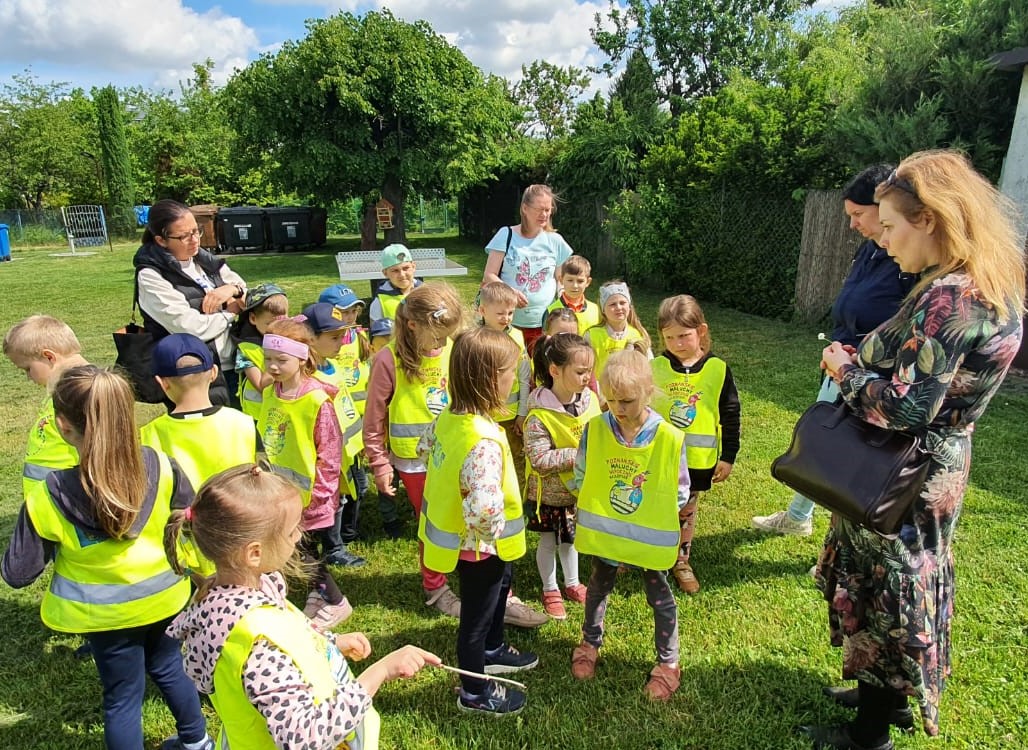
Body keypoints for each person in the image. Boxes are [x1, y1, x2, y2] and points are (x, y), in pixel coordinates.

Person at [803, 150, 1025, 750]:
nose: (886, 243)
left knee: (887, 591)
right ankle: (888, 700)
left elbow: (903, 407)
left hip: (902, 471)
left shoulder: (949, 298)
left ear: (927, 219)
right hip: (937, 464)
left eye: (893, 228)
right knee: (907, 580)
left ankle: (869, 734)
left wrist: (844, 371)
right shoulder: (991, 279)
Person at [1, 365, 212, 750]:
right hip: (166, 599)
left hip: (106, 617)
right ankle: (198, 743)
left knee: (122, 698)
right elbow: (191, 518)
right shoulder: (162, 465)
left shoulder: (49, 495)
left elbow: (18, 573)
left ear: (64, 427)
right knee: (169, 667)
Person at [166, 464, 441, 750]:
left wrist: (329, 643)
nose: (299, 535)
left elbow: (286, 632)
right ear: (254, 553)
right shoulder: (259, 646)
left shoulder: (230, 599)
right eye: (291, 530)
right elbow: (306, 737)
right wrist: (379, 672)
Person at [752, 164, 916, 536]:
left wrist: (859, 358)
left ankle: (842, 542)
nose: (853, 224)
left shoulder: (908, 261)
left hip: (874, 376)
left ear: (884, 206)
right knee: (824, 442)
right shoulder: (871, 250)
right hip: (843, 361)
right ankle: (798, 516)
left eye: (858, 214)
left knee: (855, 461)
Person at [418, 327, 538, 717]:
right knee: (475, 618)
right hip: (481, 548)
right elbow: (485, 510)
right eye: (511, 374)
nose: (515, 381)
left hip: (481, 546)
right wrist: (492, 533)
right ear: (491, 379)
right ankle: (474, 690)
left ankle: (493, 648)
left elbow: (425, 450)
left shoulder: (449, 420)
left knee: (500, 589)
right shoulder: (482, 438)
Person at [569, 346, 689, 701]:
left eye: (627, 401)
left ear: (649, 392)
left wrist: (645, 511)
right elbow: (581, 472)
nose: (618, 409)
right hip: (606, 537)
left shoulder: (668, 437)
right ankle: (590, 642)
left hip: (647, 543)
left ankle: (668, 664)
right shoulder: (596, 428)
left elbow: (679, 490)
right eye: (610, 400)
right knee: (598, 587)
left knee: (660, 596)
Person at [363, 282, 464, 613]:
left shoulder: (453, 349)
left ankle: (460, 566)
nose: (441, 343)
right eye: (437, 336)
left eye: (446, 336)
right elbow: (374, 419)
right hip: (415, 464)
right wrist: (379, 464)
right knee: (432, 523)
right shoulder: (387, 360)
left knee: (459, 516)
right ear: (412, 324)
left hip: (456, 453)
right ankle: (435, 586)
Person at [256, 316, 354, 627]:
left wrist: (321, 496)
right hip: (278, 494)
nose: (272, 367)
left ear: (301, 358)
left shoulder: (316, 401)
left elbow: (329, 454)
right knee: (298, 549)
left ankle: (337, 602)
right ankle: (318, 593)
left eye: (280, 360)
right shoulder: (272, 393)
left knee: (301, 552)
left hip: (310, 498)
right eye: (267, 359)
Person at [651, 295, 740, 595]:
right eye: (669, 337)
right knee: (654, 505)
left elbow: (730, 414)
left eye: (684, 336)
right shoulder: (656, 366)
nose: (677, 343)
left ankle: (680, 560)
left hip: (697, 462)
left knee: (685, 512)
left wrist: (728, 456)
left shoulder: (717, 369)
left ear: (701, 331)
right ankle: (644, 551)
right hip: (658, 457)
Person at [133, 199, 248, 406]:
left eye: (197, 231)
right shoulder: (150, 276)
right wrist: (231, 310)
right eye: (184, 236)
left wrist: (232, 290)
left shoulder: (203, 259)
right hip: (193, 375)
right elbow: (191, 328)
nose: (194, 240)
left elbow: (246, 290)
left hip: (233, 365)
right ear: (161, 240)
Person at [523, 333, 599, 619]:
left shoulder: (589, 400)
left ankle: (572, 583)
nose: (586, 378)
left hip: (577, 492)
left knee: (571, 540)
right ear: (555, 370)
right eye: (580, 372)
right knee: (548, 542)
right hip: (548, 495)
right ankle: (550, 588)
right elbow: (539, 459)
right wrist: (579, 454)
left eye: (589, 371)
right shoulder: (539, 414)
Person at [140, 333, 256, 490]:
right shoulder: (244, 423)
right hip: (237, 513)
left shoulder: (149, 434)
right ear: (214, 373)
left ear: (162, 382)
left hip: (175, 515)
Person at [302, 302, 367, 568]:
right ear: (309, 338)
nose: (341, 343)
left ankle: (342, 539)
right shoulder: (309, 376)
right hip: (328, 456)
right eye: (333, 338)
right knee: (332, 500)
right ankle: (332, 548)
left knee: (352, 493)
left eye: (342, 336)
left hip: (348, 451)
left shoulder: (331, 365)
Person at [2, 315, 87, 501]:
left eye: (27, 369)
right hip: (47, 500)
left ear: (49, 356)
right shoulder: (60, 389)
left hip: (67, 500)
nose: (28, 377)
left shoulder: (83, 393)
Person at [483, 184, 574, 354]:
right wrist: (511, 292)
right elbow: (489, 274)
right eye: (539, 209)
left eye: (548, 210)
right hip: (507, 322)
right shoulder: (506, 235)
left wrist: (564, 297)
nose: (544, 214)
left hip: (545, 325)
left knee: (541, 374)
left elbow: (559, 278)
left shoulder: (555, 240)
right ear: (524, 208)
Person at [317, 285, 372, 542]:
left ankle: (350, 531)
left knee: (359, 483)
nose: (350, 316)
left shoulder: (360, 337)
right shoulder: (323, 347)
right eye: (344, 312)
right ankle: (341, 537)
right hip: (335, 422)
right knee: (346, 485)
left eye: (354, 310)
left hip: (358, 419)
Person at [477, 281, 532, 486]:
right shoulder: (475, 340)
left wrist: (522, 413)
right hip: (482, 417)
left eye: (510, 313)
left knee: (513, 461)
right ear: (482, 310)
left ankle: (516, 500)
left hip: (511, 418)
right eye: (500, 313)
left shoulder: (517, 337)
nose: (506, 318)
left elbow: (524, 377)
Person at [232, 283, 288, 419]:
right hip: (260, 416)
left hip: (287, 411)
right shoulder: (246, 350)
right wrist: (277, 357)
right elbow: (261, 386)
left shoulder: (292, 338)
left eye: (283, 321)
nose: (277, 329)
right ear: (253, 318)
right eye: (270, 324)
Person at [584, 280, 652, 382]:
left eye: (622, 303)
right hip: (601, 393)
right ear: (603, 309)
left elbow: (649, 367)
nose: (618, 307)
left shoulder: (637, 335)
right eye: (612, 304)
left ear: (629, 306)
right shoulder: (592, 335)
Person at [368, 244, 423, 326]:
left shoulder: (426, 292)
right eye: (395, 270)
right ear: (385, 273)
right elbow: (377, 335)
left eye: (406, 268)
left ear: (413, 266)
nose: (402, 274)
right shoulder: (380, 302)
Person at [547, 255, 600, 335]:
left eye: (580, 281)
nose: (575, 285)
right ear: (561, 280)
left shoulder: (596, 311)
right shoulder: (550, 311)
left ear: (588, 282)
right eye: (570, 280)